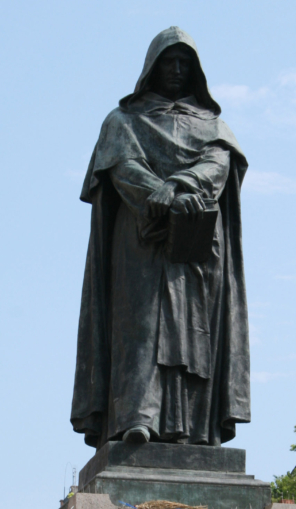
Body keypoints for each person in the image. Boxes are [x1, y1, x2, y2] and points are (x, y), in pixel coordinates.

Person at [72, 27, 250, 449]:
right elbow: (123, 167)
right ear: (152, 67)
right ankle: (136, 416)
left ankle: (195, 429)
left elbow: (218, 164)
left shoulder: (213, 125)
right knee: (141, 324)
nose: (176, 69)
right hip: (141, 236)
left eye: (185, 63)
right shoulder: (123, 121)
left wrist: (180, 185)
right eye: (169, 61)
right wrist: (161, 195)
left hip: (197, 243)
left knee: (194, 332)